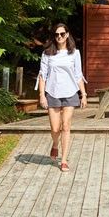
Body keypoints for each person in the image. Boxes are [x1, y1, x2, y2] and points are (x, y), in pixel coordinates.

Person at [36, 23, 87, 172]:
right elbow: (42, 76)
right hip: (52, 93)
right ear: (54, 36)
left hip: (70, 92)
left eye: (62, 34)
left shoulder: (74, 53)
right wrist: (42, 95)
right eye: (57, 34)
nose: (59, 37)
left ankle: (63, 160)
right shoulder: (47, 54)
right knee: (55, 127)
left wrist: (83, 94)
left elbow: (78, 75)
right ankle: (55, 145)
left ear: (67, 34)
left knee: (66, 126)